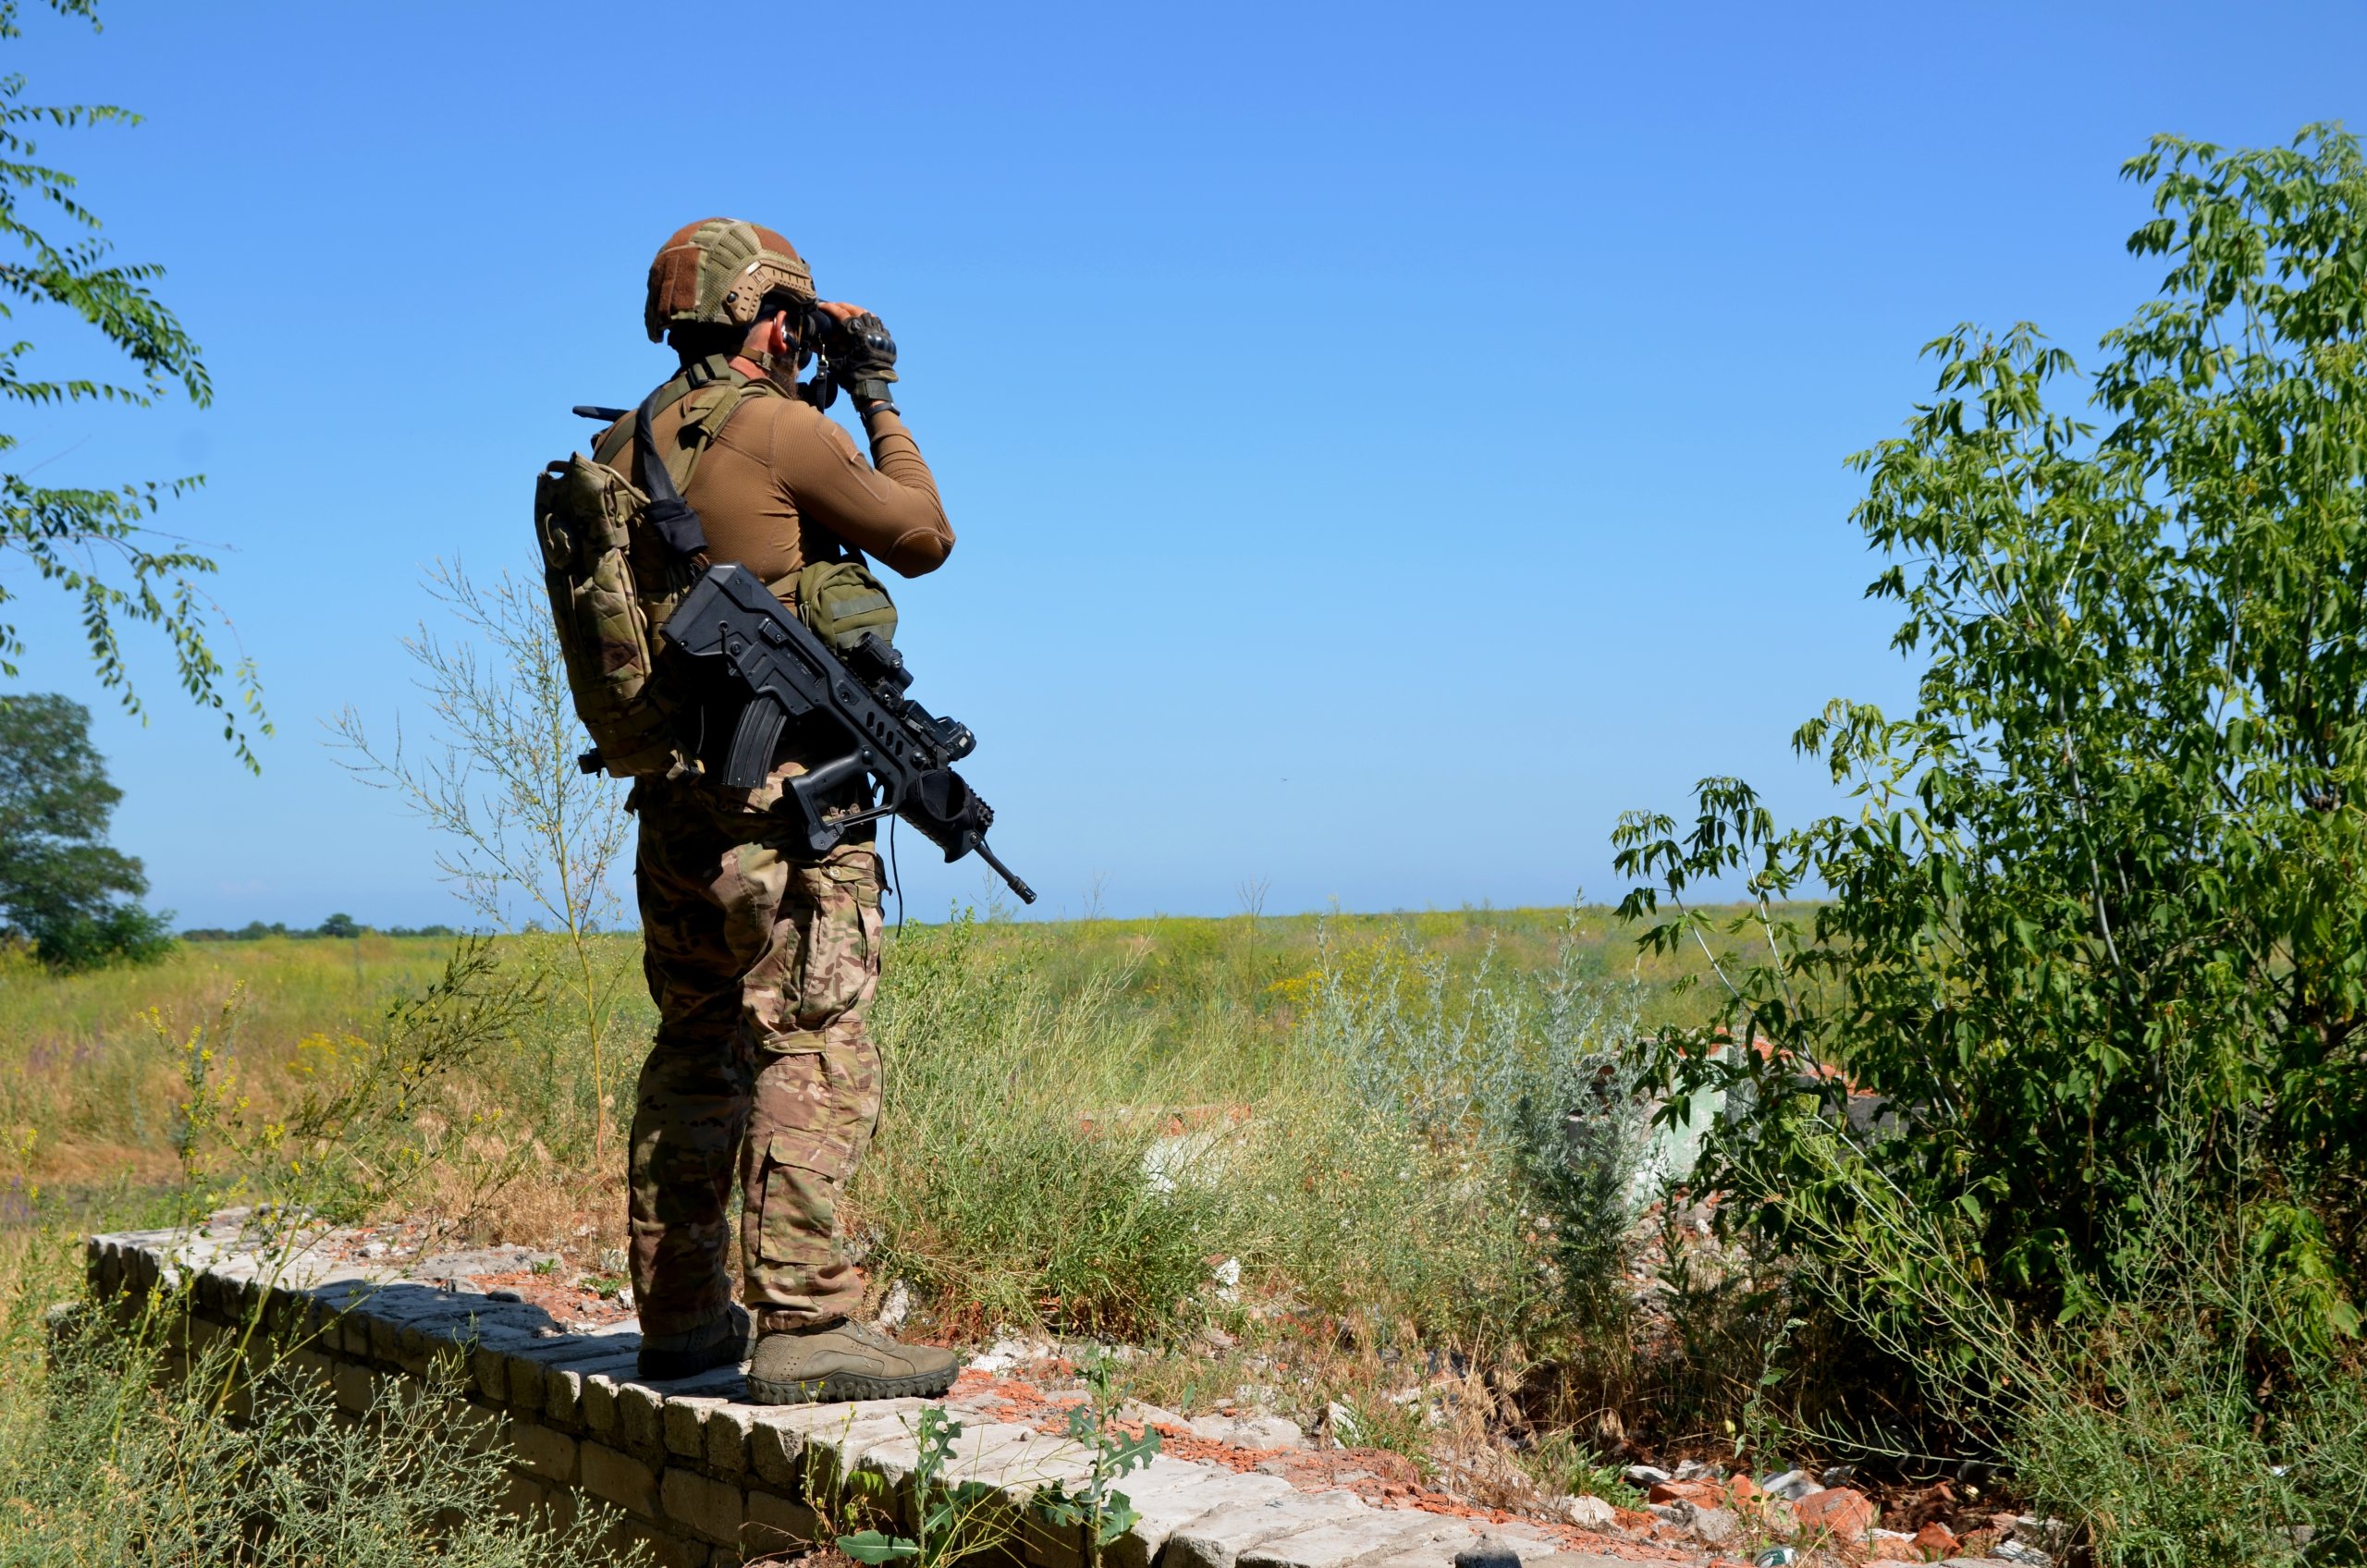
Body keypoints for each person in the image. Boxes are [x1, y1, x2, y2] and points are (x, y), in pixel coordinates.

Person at [607, 217, 959, 1403]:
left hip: (677, 802)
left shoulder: (623, 441)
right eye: (795, 323)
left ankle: (682, 1318)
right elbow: (923, 534)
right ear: (767, 314)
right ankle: (809, 1321)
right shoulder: (774, 423)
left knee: (696, 1043)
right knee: (812, 1037)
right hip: (784, 804)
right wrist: (877, 392)